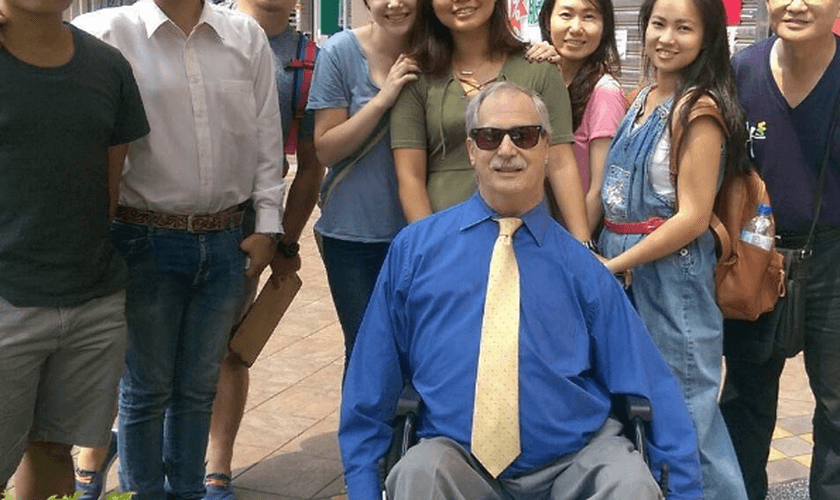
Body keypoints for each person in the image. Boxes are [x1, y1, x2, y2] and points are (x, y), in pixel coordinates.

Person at [340, 81, 703, 500]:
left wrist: (685, 492)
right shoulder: (415, 252)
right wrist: (364, 487)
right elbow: (370, 383)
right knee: (419, 473)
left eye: (525, 136)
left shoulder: (585, 268)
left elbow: (650, 384)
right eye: (490, 136)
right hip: (459, 462)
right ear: (472, 150)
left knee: (630, 486)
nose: (507, 149)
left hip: (576, 461)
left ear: (546, 148)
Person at [72, 1, 285, 499]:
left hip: (225, 239)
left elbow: (266, 137)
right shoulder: (103, 32)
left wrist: (268, 224)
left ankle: (188, 489)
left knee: (198, 387)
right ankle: (143, 492)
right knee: (145, 391)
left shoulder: (243, 37)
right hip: (142, 237)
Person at [596, 0, 751, 497]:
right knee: (638, 407)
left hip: (671, 281)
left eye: (684, 28)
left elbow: (692, 217)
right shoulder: (640, 97)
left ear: (707, 39)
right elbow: (607, 193)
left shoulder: (698, 110)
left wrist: (615, 263)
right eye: (658, 24)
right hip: (626, 273)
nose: (667, 37)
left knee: (687, 412)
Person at [0, 0, 149, 495]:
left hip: (91, 298)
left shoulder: (107, 67)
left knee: (54, 448)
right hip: (6, 299)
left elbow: (107, 189)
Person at [203, 0, 325, 497]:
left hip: (251, 223)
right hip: (171, 215)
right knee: (151, 354)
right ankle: (97, 463)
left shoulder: (308, 57)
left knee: (232, 349)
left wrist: (284, 238)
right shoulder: (205, 31)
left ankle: (216, 468)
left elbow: (311, 165)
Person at [719, 0, 840, 497]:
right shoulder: (741, 73)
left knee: (837, 406)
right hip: (754, 256)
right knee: (745, 399)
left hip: (835, 261)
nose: (794, 3)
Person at [390, 0, 591, 247]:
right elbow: (410, 176)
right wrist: (430, 247)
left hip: (526, 239)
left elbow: (560, 163)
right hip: (446, 238)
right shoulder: (416, 76)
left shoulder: (539, 68)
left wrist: (584, 244)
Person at [306, 0, 417, 369]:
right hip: (352, 237)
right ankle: (363, 429)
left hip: (420, 232)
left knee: (418, 354)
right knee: (365, 353)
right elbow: (326, 148)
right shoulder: (340, 52)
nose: (396, 4)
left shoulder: (438, 49)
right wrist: (382, 100)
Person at [538, 0, 626, 232]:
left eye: (589, 17)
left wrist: (573, 246)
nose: (576, 28)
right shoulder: (542, 79)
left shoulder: (604, 93)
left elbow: (599, 190)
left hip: (575, 235)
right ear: (548, 19)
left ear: (604, 26)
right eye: (566, 14)